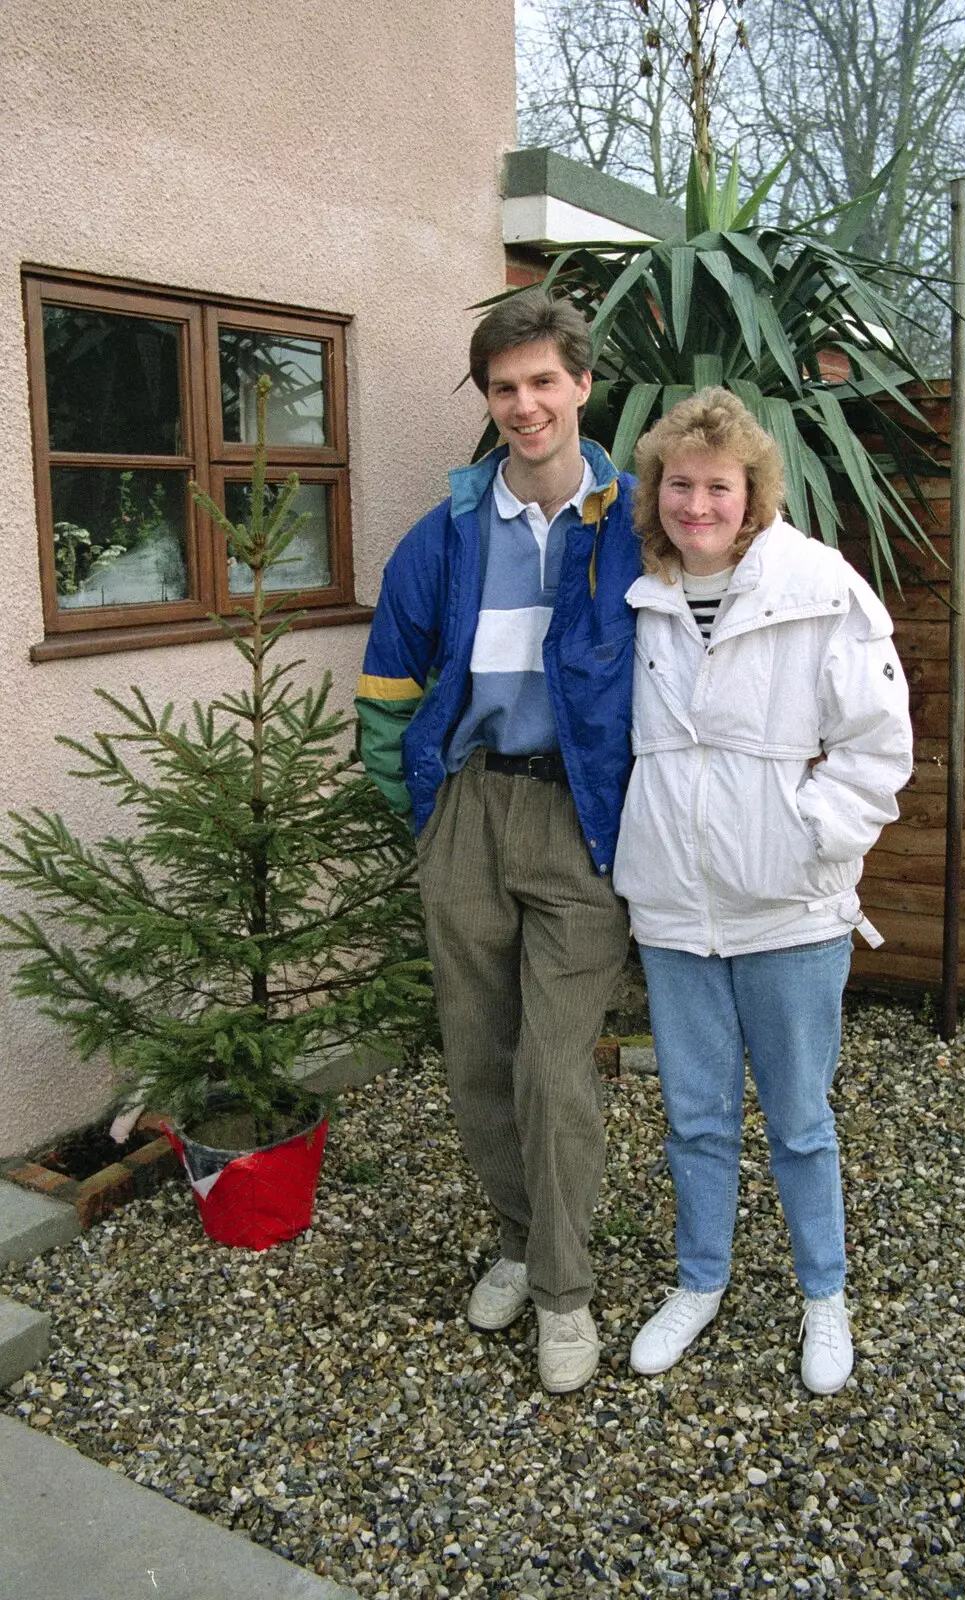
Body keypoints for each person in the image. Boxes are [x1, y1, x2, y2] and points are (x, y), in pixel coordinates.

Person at [355, 289, 640, 1393]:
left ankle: (566, 1294)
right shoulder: (449, 535)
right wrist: (427, 816)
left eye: (543, 383)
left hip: (581, 817)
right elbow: (387, 686)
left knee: (556, 1067)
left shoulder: (637, 524)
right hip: (471, 807)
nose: (525, 405)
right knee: (478, 1055)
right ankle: (519, 1242)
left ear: (580, 385)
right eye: (504, 388)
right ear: (490, 399)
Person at [613, 387, 912, 1394]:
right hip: (673, 909)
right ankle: (700, 1281)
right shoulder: (634, 593)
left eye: (719, 486)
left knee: (798, 1118)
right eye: (680, 485)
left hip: (790, 909)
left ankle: (823, 1294)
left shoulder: (821, 587)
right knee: (694, 1117)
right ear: (658, 494)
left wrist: (810, 838)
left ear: (753, 494)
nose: (698, 504)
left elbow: (880, 745)